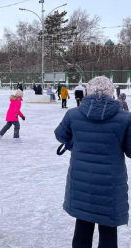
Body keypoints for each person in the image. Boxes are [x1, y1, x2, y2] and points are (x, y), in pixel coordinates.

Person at [54, 76, 131, 248]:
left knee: (82, 226)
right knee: (108, 231)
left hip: (82, 184)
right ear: (111, 92)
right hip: (110, 185)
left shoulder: (74, 114)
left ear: (88, 91)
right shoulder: (126, 118)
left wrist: (78, 136)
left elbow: (60, 135)